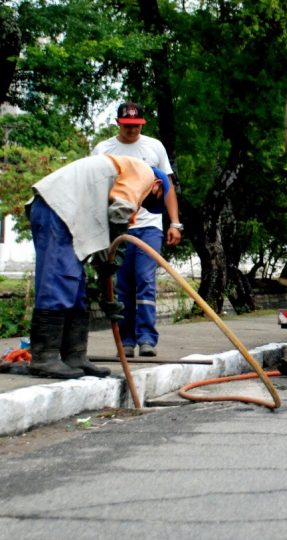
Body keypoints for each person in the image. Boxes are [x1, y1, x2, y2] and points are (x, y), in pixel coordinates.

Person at [26, 154, 170, 379]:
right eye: (147, 202)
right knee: (59, 280)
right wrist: (119, 246)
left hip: (68, 213)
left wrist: (107, 292)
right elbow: (120, 211)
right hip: (57, 208)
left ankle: (75, 356)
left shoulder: (116, 180)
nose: (141, 206)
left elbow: (104, 255)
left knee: (75, 287)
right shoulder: (145, 173)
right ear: (157, 186)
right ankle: (45, 357)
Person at [91, 102, 182, 357]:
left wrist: (174, 222)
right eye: (127, 126)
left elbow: (168, 186)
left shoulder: (154, 147)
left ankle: (146, 338)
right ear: (118, 123)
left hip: (148, 226)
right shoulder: (104, 149)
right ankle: (127, 339)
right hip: (118, 227)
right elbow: (94, 186)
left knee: (145, 280)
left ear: (143, 124)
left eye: (137, 126)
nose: (132, 130)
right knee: (123, 284)